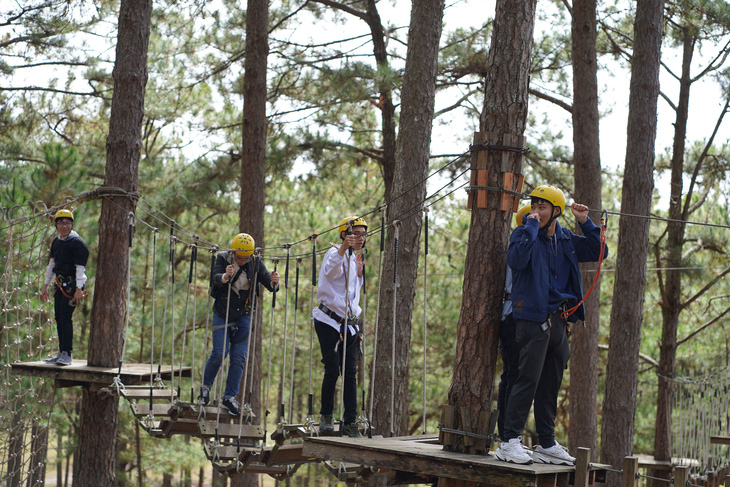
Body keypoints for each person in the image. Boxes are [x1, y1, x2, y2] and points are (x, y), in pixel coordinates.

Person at [495, 186, 608, 465]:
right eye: (533, 206)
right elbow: (517, 260)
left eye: (542, 207)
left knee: (550, 382)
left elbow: (600, 251)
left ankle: (546, 442)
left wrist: (585, 221)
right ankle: (509, 441)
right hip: (532, 317)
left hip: (559, 318)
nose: (536, 211)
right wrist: (531, 226)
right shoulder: (523, 234)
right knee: (527, 379)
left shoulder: (566, 238)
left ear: (556, 210)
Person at [198, 233, 279, 416]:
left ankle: (229, 397)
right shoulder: (222, 258)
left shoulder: (256, 263)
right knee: (219, 353)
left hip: (244, 315)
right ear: (234, 253)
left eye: (246, 258)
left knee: (239, 358)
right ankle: (205, 388)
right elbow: (215, 278)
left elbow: (268, 283)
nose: (242, 261)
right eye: (239, 258)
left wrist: (275, 282)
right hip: (222, 312)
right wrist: (226, 276)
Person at [312, 216, 366, 438]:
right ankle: (326, 416)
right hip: (328, 321)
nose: (362, 238)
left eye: (364, 235)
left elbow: (353, 293)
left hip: (349, 324)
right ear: (345, 234)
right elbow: (331, 272)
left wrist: (360, 271)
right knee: (333, 368)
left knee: (351, 374)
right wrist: (344, 248)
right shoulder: (334, 253)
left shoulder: (355, 259)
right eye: (357, 234)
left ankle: (351, 421)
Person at [496, 204, 532, 440]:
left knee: (516, 375)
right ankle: (509, 435)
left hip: (518, 316)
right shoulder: (521, 244)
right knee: (514, 376)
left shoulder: (525, 244)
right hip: (513, 317)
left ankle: (510, 434)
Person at [42, 209, 90, 366]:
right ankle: (61, 352)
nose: (64, 226)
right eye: (61, 223)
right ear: (56, 224)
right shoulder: (57, 242)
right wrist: (45, 285)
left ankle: (67, 354)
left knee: (65, 318)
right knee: (58, 318)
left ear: (72, 224)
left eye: (67, 223)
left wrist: (78, 289)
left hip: (72, 286)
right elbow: (52, 264)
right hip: (59, 285)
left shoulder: (76, 243)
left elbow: (80, 268)